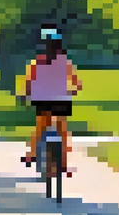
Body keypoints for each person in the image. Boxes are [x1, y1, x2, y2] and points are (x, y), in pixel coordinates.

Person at [20, 25, 81, 174]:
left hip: (41, 100)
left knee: (40, 126)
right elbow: (77, 83)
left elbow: (29, 82)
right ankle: (64, 163)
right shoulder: (65, 62)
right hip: (61, 100)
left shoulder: (36, 62)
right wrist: (74, 89)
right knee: (62, 129)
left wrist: (26, 94)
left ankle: (32, 154)